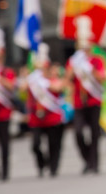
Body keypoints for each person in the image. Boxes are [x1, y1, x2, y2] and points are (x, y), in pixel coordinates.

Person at [65, 16, 106, 174]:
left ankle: (95, 163)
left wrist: (89, 67)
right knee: (78, 133)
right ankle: (87, 159)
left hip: (94, 100)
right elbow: (67, 80)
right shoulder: (73, 61)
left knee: (95, 133)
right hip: (78, 102)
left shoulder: (96, 61)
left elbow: (102, 78)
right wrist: (74, 67)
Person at [27, 43, 65, 178]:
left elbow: (59, 88)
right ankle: (42, 164)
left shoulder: (51, 79)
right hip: (36, 116)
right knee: (35, 144)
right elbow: (21, 89)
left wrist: (46, 82)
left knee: (53, 143)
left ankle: (53, 167)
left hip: (52, 115)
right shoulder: (32, 80)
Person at [0, 28, 16, 181]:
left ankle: (5, 171)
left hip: (3, 113)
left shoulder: (6, 71)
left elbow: (11, 87)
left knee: (4, 143)